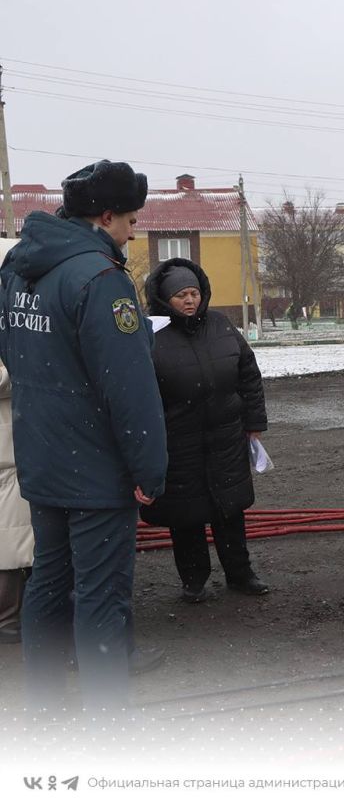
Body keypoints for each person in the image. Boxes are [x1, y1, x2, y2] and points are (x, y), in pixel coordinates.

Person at [0, 160, 168, 712]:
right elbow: (130, 387)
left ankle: (42, 709)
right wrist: (149, 469)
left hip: (41, 459)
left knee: (49, 579)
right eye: (130, 218)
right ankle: (108, 724)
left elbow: (16, 358)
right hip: (93, 469)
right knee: (102, 595)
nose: (134, 230)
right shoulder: (100, 279)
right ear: (104, 216)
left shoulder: (18, 270)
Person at [142, 258, 269, 602]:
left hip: (225, 436)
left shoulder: (221, 324)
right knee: (187, 517)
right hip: (177, 442)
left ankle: (241, 574)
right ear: (164, 298)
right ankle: (194, 581)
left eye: (194, 292)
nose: (189, 300)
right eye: (181, 294)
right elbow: (138, 392)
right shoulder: (149, 333)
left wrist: (254, 424)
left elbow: (248, 375)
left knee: (230, 511)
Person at [0, 359, 32, 645]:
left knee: (18, 538)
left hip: (15, 446)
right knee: (10, 543)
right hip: (7, 454)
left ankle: (15, 618)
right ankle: (7, 620)